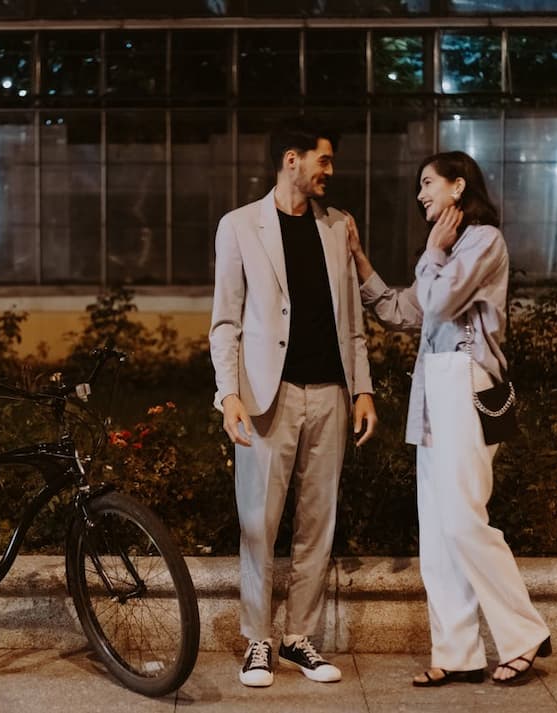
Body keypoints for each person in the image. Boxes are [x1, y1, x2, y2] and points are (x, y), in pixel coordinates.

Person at [345, 150, 551, 687]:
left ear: (459, 187)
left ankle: (524, 633)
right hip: (433, 390)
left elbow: (437, 303)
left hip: (466, 381)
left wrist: (433, 253)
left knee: (463, 519)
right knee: (436, 531)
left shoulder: (483, 241)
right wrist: (362, 262)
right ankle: (458, 653)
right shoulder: (447, 250)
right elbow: (400, 311)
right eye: (419, 186)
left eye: (428, 183)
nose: (420, 194)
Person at [209, 117, 377, 688]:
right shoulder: (239, 227)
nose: (330, 171)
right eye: (323, 160)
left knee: (317, 523)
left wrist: (363, 389)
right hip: (265, 395)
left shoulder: (338, 227)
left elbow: (353, 321)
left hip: (329, 392)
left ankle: (299, 638)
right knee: (258, 521)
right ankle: (258, 640)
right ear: (292, 160)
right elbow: (225, 322)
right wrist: (227, 394)